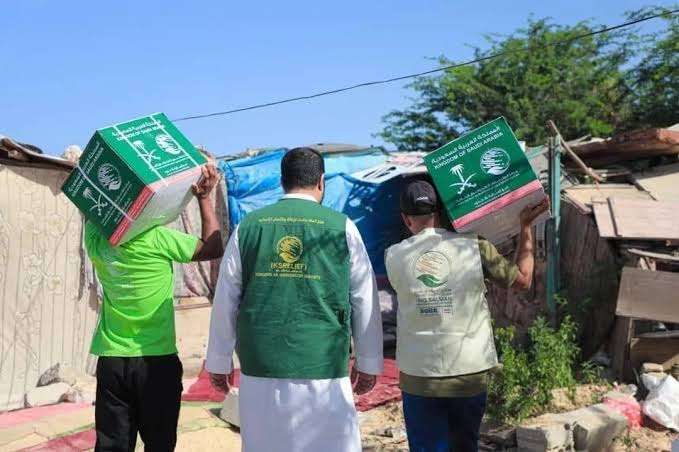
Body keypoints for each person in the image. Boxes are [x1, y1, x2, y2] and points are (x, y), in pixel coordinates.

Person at [206, 147, 384, 452]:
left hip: (261, 368)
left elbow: (226, 299)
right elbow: (364, 298)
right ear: (321, 181)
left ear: (282, 181)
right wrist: (369, 362)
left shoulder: (248, 227)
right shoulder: (342, 227)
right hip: (324, 366)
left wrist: (219, 361)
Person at [385, 180, 549, 452]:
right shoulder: (473, 246)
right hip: (468, 374)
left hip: (419, 377)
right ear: (439, 212)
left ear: (405, 218)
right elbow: (523, 280)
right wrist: (525, 227)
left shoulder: (393, 256)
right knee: (465, 445)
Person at [85, 164, 223, 452]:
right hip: (156, 362)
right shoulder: (156, 238)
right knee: (159, 445)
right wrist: (204, 197)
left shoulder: (95, 238)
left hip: (112, 360)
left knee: (112, 447)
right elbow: (212, 247)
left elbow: (94, 211)